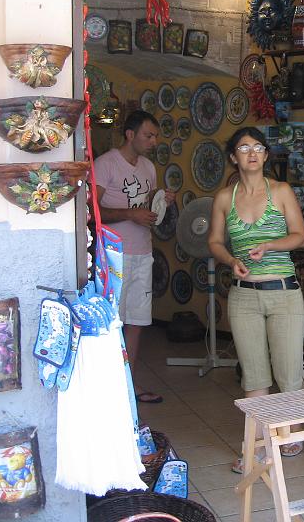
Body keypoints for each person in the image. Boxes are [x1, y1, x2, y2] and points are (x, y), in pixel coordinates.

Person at [208, 127, 304, 473]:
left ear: (266, 156)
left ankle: (290, 434)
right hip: (244, 297)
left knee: (289, 372)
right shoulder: (224, 198)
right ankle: (261, 446)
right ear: (234, 157)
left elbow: (299, 235)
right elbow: (214, 242)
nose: (252, 153)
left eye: (258, 148)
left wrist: (270, 246)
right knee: (253, 375)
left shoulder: (281, 191)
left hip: (284, 293)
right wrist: (229, 260)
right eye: (244, 148)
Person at [94, 109, 174, 405]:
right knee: (111, 322)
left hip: (143, 252)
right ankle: (107, 387)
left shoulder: (148, 167)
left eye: (155, 136)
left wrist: (162, 200)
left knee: (138, 321)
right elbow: (91, 212)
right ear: (130, 134)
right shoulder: (106, 164)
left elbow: (148, 205)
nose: (153, 141)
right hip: (113, 255)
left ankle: (129, 384)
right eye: (148, 135)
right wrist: (130, 214)